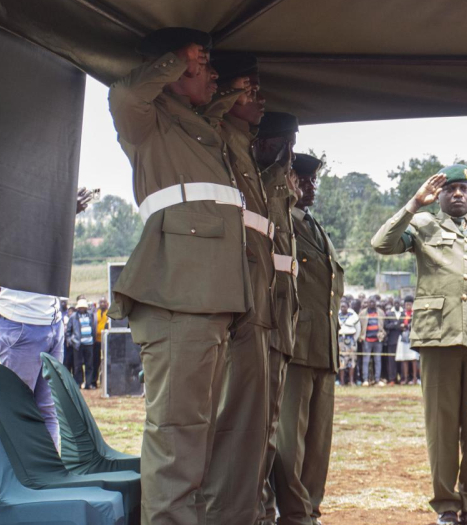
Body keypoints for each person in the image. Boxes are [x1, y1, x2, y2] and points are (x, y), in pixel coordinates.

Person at [107, 27, 251, 525]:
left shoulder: (197, 125)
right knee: (176, 437)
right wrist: (175, 60)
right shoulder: (147, 122)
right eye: (204, 65)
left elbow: (213, 106)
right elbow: (125, 91)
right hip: (177, 295)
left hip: (208, 297)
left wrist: (227, 87)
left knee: (194, 437)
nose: (212, 74)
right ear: (174, 70)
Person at [370, 164, 467, 525]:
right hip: (437, 337)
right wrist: (415, 203)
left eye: (463, 188)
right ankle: (447, 506)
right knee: (441, 427)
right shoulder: (422, 226)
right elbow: (381, 244)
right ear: (440, 195)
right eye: (450, 190)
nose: (458, 194)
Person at [197, 52, 274, 525]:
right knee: (233, 425)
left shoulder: (243, 144)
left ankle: (243, 513)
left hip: (256, 303)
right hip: (235, 300)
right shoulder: (217, 136)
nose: (259, 101)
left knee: (253, 427)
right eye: (251, 90)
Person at [272, 153, 343, 525]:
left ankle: (310, 510)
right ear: (287, 181)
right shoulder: (280, 224)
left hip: (323, 347)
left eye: (313, 181)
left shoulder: (314, 227)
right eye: (302, 180)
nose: (309, 187)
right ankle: (292, 512)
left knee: (318, 442)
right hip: (296, 345)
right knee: (290, 440)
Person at [254, 111, 303, 525]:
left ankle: (263, 512)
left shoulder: (279, 194)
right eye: (288, 146)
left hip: (279, 327)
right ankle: (256, 512)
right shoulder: (259, 188)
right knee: (253, 432)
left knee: (267, 432)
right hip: (260, 325)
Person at [0, 288, 66, 449]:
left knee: (40, 409)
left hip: (42, 320)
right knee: (23, 410)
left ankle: (41, 471)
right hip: (28, 319)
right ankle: (25, 472)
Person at [67, 297, 97, 389]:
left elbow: (93, 327)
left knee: (89, 365)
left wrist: (93, 339)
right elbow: (68, 331)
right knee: (77, 365)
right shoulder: (73, 317)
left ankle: (88, 384)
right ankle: (78, 384)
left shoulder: (90, 315)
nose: (82, 309)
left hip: (89, 343)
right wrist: (70, 340)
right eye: (81, 307)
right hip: (78, 344)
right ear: (78, 308)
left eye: (84, 307)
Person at [356, 299, 385, 386]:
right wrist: (361, 336)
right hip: (367, 340)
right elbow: (359, 326)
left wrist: (382, 334)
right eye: (370, 302)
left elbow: (384, 324)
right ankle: (365, 379)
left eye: (373, 302)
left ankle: (377, 379)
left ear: (376, 303)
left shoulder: (380, 312)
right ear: (368, 303)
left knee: (377, 360)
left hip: (378, 340)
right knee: (366, 360)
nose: (372, 303)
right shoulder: (362, 313)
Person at [338, 301, 358, 386]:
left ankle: (351, 381)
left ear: (348, 307)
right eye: (341, 307)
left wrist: (354, 339)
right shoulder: (337, 315)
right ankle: (342, 381)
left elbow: (358, 328)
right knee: (341, 361)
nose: (343, 308)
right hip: (341, 340)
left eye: (344, 306)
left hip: (351, 340)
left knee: (352, 360)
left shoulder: (353, 315)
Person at [91, 297, 109, 389]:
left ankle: (106, 382)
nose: (102, 304)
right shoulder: (95, 313)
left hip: (107, 341)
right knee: (95, 362)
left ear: (107, 303)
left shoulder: (110, 313)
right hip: (96, 342)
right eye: (101, 302)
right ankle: (94, 382)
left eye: (104, 302)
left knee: (107, 361)